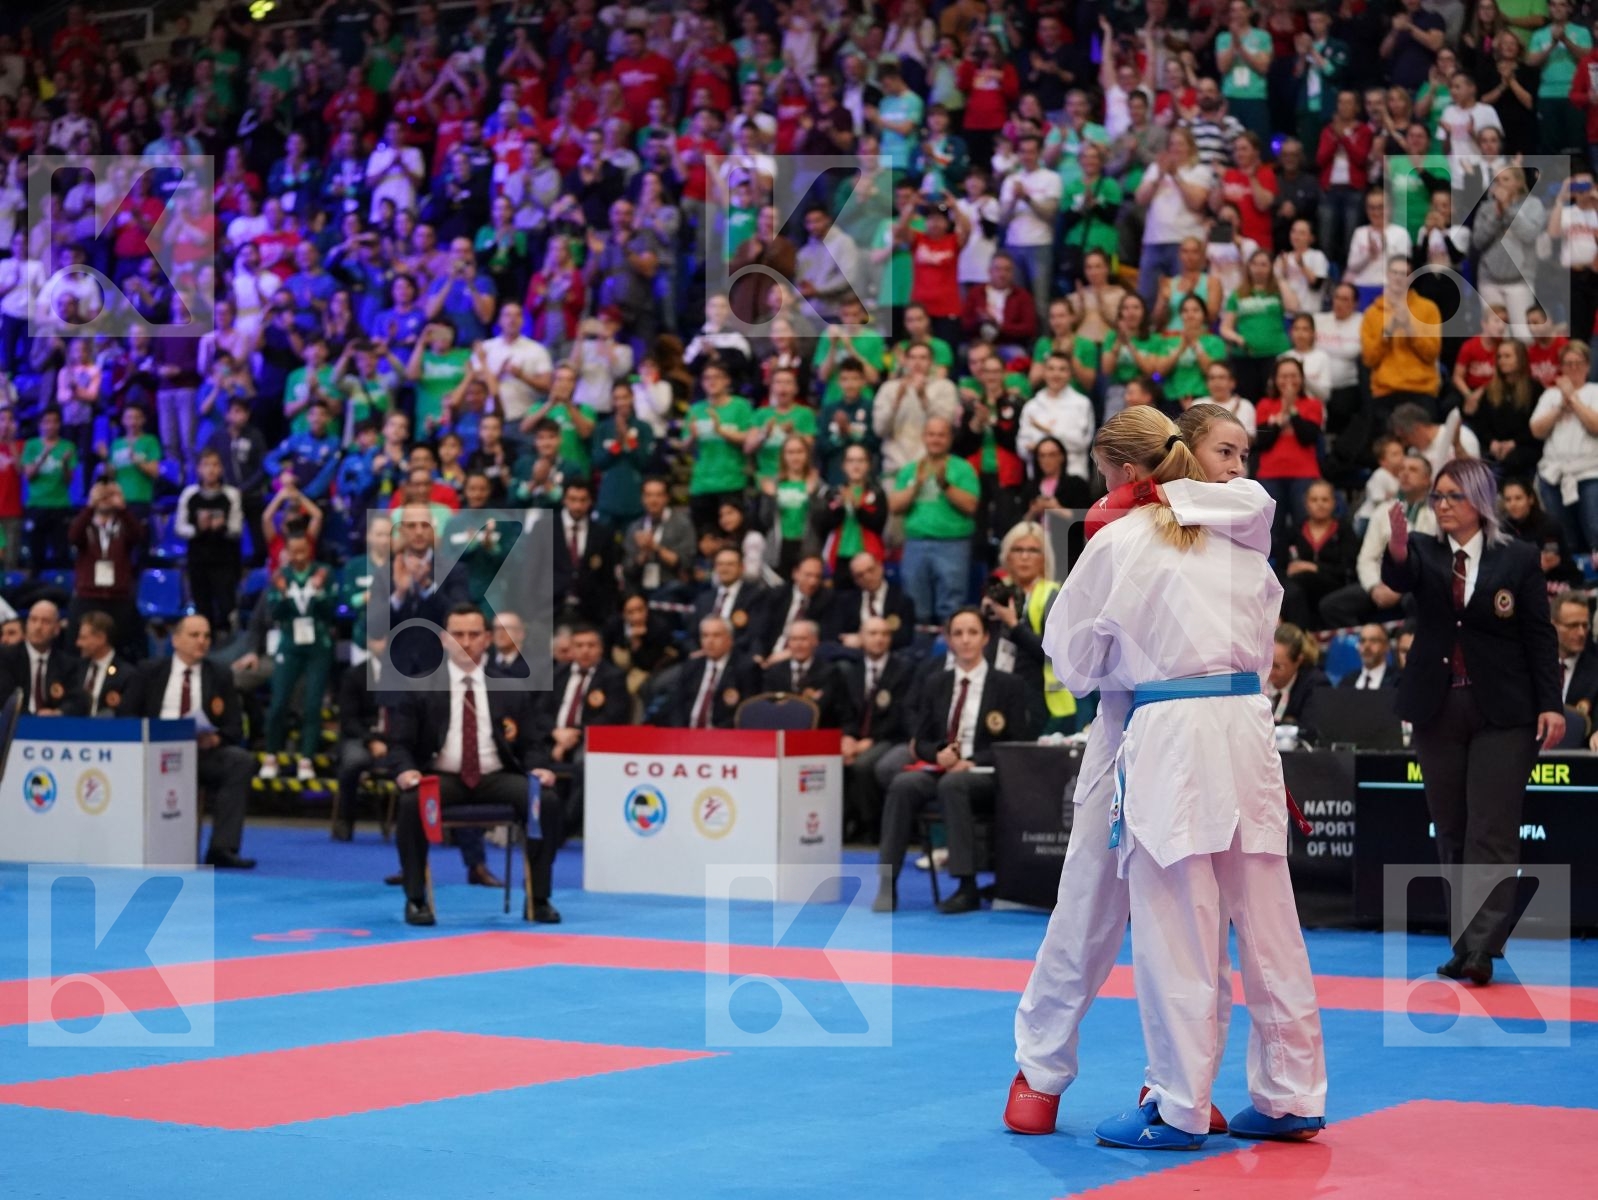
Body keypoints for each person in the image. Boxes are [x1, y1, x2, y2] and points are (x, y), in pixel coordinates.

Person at [1034, 405, 1327, 1148]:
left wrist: (1120, 657)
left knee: (1177, 923)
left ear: (1128, 473)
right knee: (1268, 922)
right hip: (1247, 724)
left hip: (1166, 726)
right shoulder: (1246, 533)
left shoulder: (1120, 540)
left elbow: (1071, 660)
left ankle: (1177, 1105)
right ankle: (1292, 1095)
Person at [1383, 458, 1563, 983]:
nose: (1441, 506)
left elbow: (1538, 634)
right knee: (1453, 829)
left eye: (1451, 497)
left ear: (1479, 500)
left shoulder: (1519, 557)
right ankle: (1463, 944)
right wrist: (1396, 546)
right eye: (1436, 497)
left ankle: (1483, 946)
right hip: (1438, 707)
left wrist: (1551, 702)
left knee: (1493, 828)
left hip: (1503, 710)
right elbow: (1400, 575)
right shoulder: (1423, 549)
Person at [391, 603, 561, 927]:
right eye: (458, 634)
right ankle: (415, 900)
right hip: (442, 777)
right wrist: (405, 771)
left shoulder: (511, 687)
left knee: (546, 801)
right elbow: (399, 744)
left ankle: (538, 898)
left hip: (497, 776)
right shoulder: (419, 686)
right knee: (411, 803)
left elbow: (532, 745)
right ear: (443, 639)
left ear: (487, 639)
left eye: (473, 634)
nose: (465, 642)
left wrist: (539, 767)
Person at [874, 606, 1033, 914]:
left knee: (954, 783)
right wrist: (937, 754)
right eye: (957, 633)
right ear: (947, 639)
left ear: (985, 638)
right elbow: (918, 739)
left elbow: (1016, 742)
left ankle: (966, 885)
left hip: (986, 772)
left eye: (972, 632)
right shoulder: (936, 683)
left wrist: (972, 761)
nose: (965, 640)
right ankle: (886, 882)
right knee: (903, 784)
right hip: (942, 767)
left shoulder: (1007, 685)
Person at [118, 615, 256, 868]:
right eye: (194, 635)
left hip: (198, 755)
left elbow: (234, 727)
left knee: (240, 761)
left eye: (206, 636)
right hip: (153, 755)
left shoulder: (219, 675)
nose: (201, 641)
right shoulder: (150, 671)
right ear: (176, 640)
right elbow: (126, 715)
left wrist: (215, 738)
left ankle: (222, 849)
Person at [261, 533, 337, 782]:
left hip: (317, 645)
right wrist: (282, 595)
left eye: (302, 551)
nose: (298, 557)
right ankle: (271, 754)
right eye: (293, 552)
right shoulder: (280, 576)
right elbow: (273, 612)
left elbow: (332, 611)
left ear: (310, 550)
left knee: (313, 705)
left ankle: (306, 758)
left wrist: (319, 592)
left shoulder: (323, 573)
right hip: (290, 643)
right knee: (279, 702)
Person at [667, 614, 762, 729]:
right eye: (705, 636)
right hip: (686, 735)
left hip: (723, 737)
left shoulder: (745, 668)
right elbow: (676, 704)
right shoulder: (691, 666)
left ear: (730, 639)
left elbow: (745, 711)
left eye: (716, 635)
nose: (709, 641)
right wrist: (680, 732)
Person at [65, 610, 136, 717]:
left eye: (83, 638)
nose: (78, 643)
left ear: (101, 638)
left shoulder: (127, 675)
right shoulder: (75, 669)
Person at [1340, 624, 1401, 690]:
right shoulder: (1346, 682)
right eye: (1362, 641)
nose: (1367, 646)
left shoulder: (1398, 681)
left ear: (1386, 646)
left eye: (1373, 640)